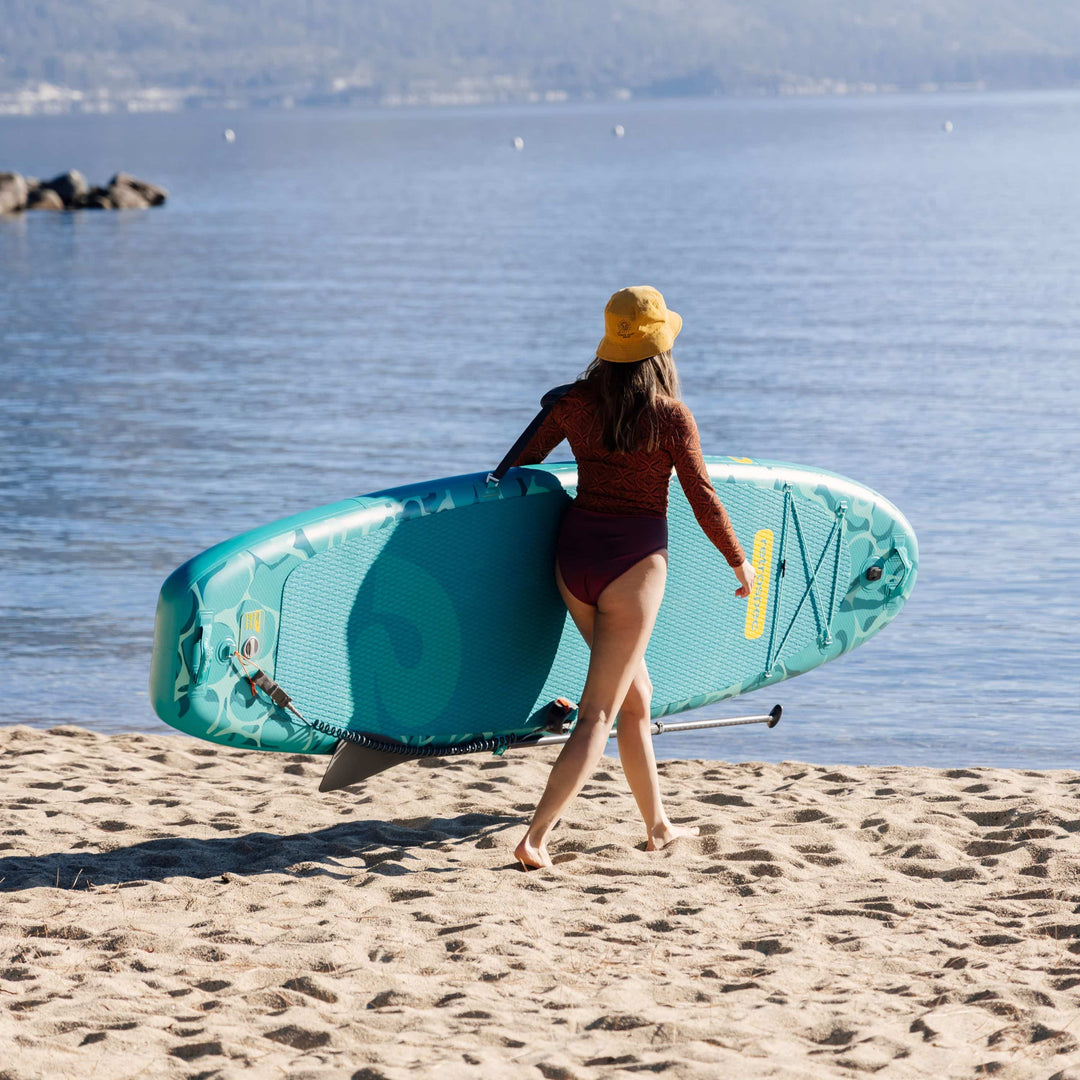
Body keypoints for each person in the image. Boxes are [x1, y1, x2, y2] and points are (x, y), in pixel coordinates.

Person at [511, 286, 756, 870]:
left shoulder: (573, 403)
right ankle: (535, 838)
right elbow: (702, 496)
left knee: (635, 700)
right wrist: (737, 559)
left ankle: (659, 825)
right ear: (661, 351)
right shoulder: (670, 417)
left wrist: (554, 407)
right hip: (633, 566)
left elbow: (522, 459)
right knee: (599, 711)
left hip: (573, 561)